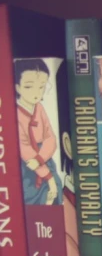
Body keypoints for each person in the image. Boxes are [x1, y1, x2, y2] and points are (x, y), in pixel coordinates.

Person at [15, 58, 62, 205]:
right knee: (32, 197)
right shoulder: (14, 113)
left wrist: (41, 159)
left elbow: (50, 138)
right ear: (17, 87)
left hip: (44, 157)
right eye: (29, 87)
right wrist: (47, 176)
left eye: (41, 87)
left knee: (56, 190)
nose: (36, 92)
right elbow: (24, 148)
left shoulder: (39, 108)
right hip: (26, 166)